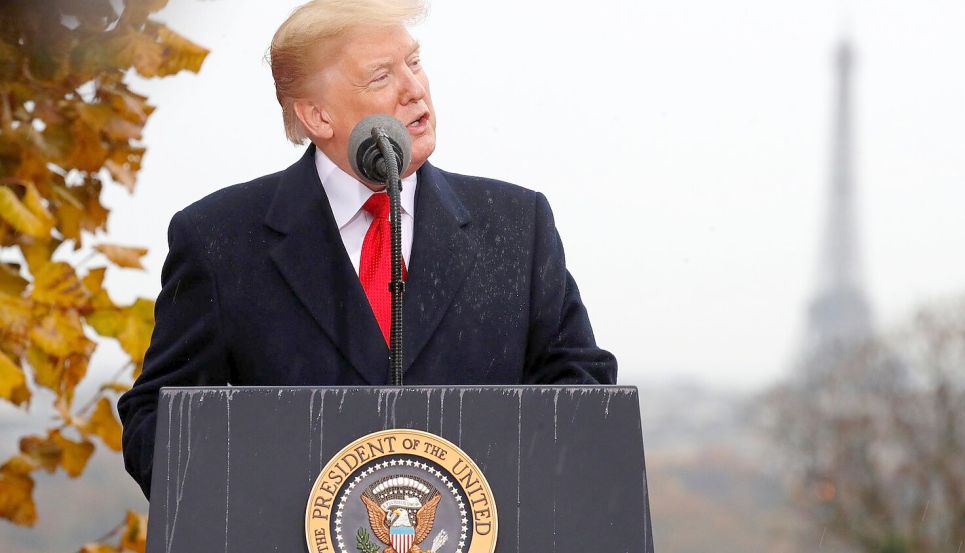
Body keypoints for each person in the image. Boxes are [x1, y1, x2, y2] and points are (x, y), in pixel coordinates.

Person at [117, 0, 616, 499]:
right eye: (380, 76)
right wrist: (258, 500)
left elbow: (582, 391)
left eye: (414, 63)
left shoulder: (516, 223)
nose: (414, 89)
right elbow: (158, 421)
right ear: (316, 114)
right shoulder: (218, 239)